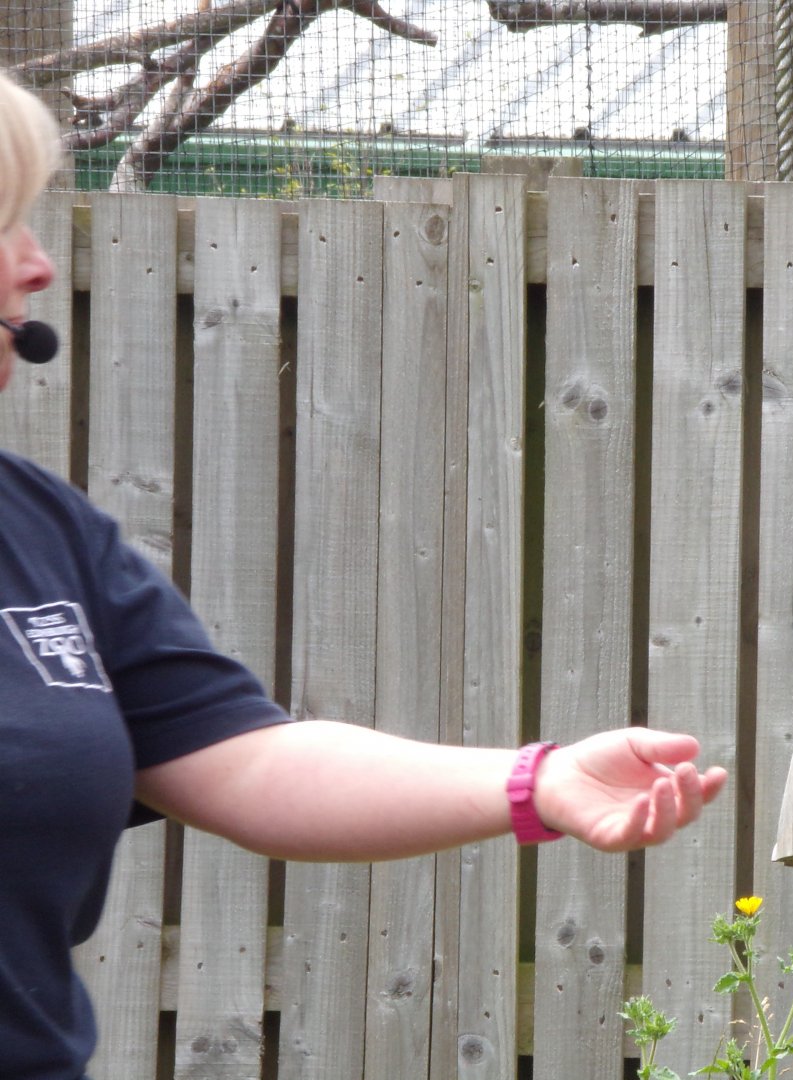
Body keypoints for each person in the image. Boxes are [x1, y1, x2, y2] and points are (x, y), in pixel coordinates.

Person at [0, 70, 727, 1080]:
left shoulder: (43, 533)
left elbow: (246, 760)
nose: (35, 267)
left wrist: (538, 782)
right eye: (6, 226)